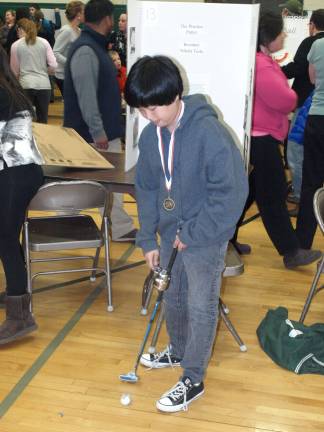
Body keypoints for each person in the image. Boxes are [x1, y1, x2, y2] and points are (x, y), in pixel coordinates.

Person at [124, 55, 248, 412]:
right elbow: (147, 189)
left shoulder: (209, 134)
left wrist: (194, 231)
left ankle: (192, 378)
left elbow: (231, 193)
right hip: (169, 233)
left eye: (155, 108)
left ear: (176, 95)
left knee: (199, 304)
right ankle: (177, 350)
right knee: (173, 296)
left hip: (205, 236)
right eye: (142, 110)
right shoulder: (151, 137)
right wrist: (148, 239)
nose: (150, 117)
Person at [238, 11, 321, 269]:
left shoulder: (264, 60)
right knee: (272, 195)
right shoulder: (262, 64)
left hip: (262, 136)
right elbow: (286, 98)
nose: (285, 35)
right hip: (261, 138)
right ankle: (290, 251)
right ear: (269, 36)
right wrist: (289, 96)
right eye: (281, 31)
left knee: (248, 192)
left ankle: (227, 238)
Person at [64, 0, 136, 242]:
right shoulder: (86, 49)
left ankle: (121, 227)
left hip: (99, 133)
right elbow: (86, 96)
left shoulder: (93, 46)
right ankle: (117, 228)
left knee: (108, 186)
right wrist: (98, 132)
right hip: (94, 136)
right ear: (107, 19)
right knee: (104, 185)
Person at [0, 45, 44, 344]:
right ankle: (17, 291)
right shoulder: (11, 88)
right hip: (22, 171)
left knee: (5, 238)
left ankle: (20, 316)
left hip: (14, 173)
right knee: (6, 236)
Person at [282, 9, 324, 203]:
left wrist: (275, 72)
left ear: (312, 25)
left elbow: (303, 71)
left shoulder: (312, 43)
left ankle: (301, 196)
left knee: (295, 150)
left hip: (310, 106)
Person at [296, 36, 324, 249]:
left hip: (316, 119)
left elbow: (313, 80)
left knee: (311, 183)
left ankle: (303, 243)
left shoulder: (318, 45)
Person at [10, 18, 57, 124]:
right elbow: (54, 65)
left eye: (17, 30)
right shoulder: (44, 42)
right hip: (44, 86)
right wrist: (44, 71)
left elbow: (14, 72)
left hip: (25, 85)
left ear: (21, 29)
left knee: (24, 122)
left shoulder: (15, 45)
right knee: (43, 121)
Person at [53, 1, 85, 97]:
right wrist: (71, 62)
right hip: (64, 76)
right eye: (84, 12)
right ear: (78, 15)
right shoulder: (67, 30)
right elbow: (55, 52)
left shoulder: (79, 31)